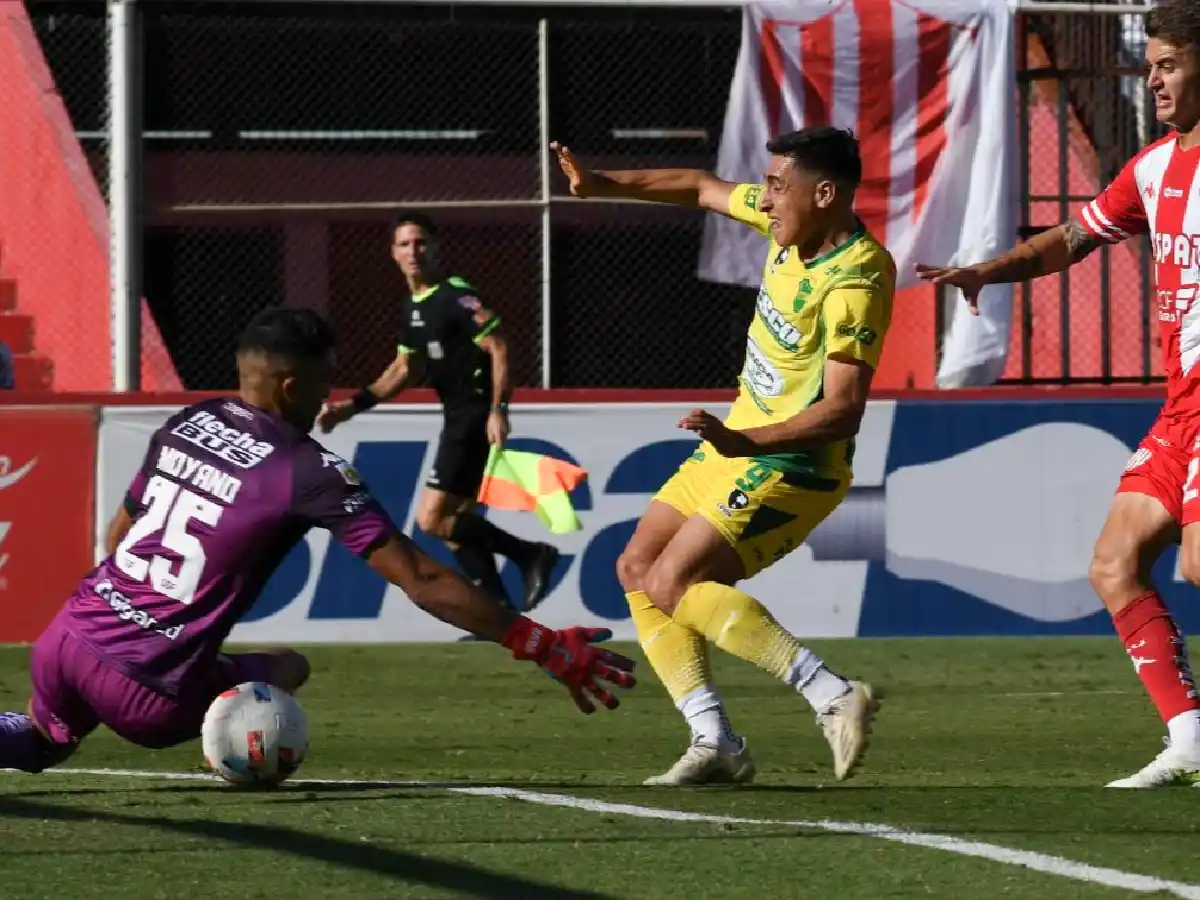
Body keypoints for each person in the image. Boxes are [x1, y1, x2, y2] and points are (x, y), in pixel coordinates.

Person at [0, 308, 635, 774]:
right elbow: (421, 579)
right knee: (288, 667)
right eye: (323, 382)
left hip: (66, 639)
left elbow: (120, 533)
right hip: (150, 694)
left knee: (44, 741)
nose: (328, 396)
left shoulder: (191, 419)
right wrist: (539, 643)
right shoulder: (307, 469)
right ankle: (242, 753)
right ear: (289, 387)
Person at [552, 126, 892, 786]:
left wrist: (747, 442)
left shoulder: (858, 276)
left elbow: (844, 408)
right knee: (637, 567)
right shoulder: (786, 225)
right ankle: (715, 741)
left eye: (776, 186)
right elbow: (700, 186)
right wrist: (600, 185)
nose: (763, 199)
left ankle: (831, 694)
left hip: (794, 465)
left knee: (672, 582)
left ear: (824, 194)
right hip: (738, 444)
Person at [918, 0, 1200, 789]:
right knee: (1114, 563)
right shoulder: (1153, 167)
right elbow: (1074, 238)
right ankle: (1190, 738)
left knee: (1197, 565)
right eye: (1150, 66)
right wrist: (990, 270)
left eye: (1170, 65)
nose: (1154, 81)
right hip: (1182, 408)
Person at [318, 211, 560, 633]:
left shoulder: (456, 296)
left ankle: (530, 554)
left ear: (436, 248)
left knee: (431, 520)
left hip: (472, 418)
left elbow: (499, 348)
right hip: (456, 417)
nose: (414, 251)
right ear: (393, 253)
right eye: (405, 244)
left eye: (421, 242)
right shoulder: (412, 307)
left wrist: (499, 410)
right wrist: (349, 408)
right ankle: (500, 615)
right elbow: (403, 370)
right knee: (454, 525)